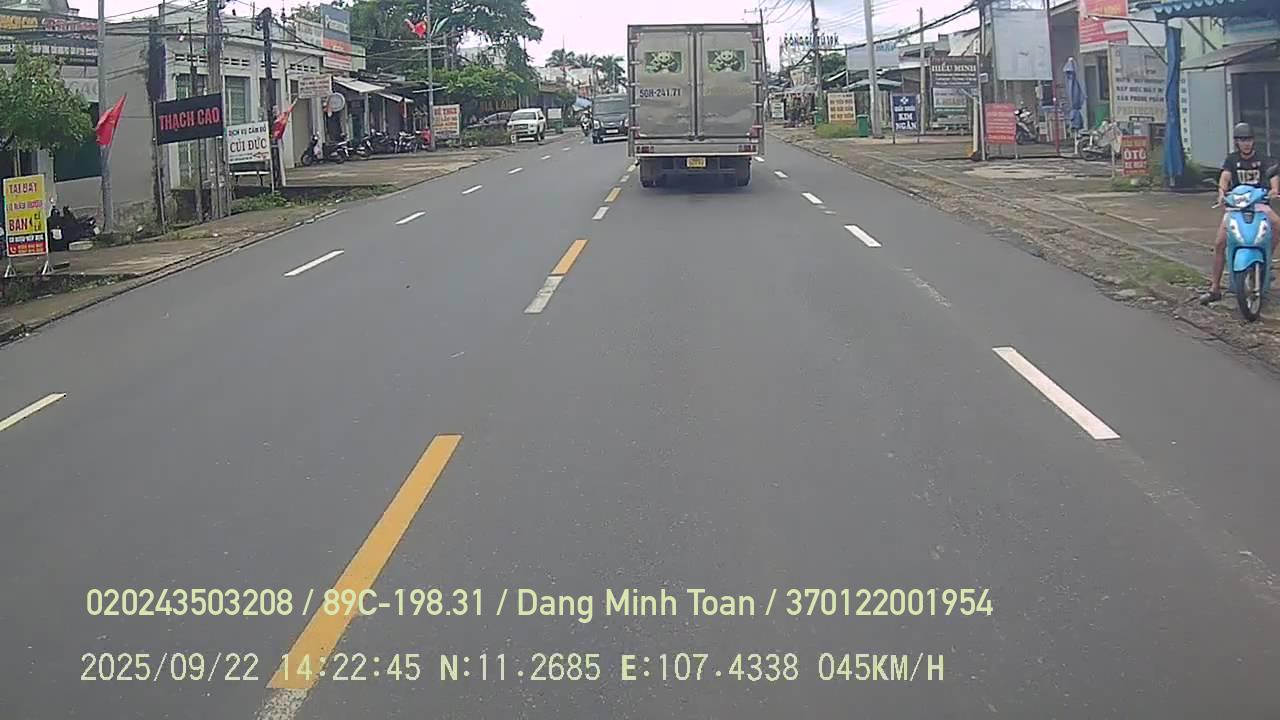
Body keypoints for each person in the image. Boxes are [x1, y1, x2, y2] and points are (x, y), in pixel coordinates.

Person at [1200, 122, 1280, 304]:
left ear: (1253, 140)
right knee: (1220, 243)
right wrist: (1221, 193)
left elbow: (1273, 177)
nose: (1246, 143)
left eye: (1249, 139)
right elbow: (1224, 178)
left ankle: (1266, 258)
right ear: (1237, 142)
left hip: (1259, 205)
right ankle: (1214, 288)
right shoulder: (1231, 160)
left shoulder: (1263, 159)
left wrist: (1274, 190)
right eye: (1242, 140)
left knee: (1277, 225)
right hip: (1236, 207)